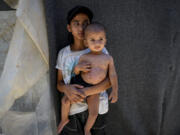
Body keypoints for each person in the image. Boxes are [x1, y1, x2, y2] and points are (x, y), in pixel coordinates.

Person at [56, 6, 112, 135]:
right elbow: (59, 83)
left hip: (98, 108)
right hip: (72, 110)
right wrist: (66, 89)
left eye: (85, 23)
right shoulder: (63, 54)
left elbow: (109, 81)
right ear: (69, 28)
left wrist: (86, 91)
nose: (81, 28)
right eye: (76, 24)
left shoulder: (100, 50)